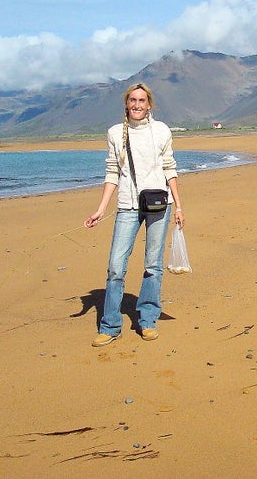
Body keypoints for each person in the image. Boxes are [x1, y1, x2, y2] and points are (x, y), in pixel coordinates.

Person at [83, 83, 185, 347]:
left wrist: (180, 206)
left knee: (153, 265)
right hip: (127, 205)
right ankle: (111, 325)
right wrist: (101, 208)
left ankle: (148, 320)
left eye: (142, 100)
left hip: (158, 205)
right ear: (126, 104)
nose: (137, 105)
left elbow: (169, 168)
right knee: (116, 267)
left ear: (149, 104)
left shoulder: (161, 131)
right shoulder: (116, 133)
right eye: (132, 100)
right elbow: (112, 172)